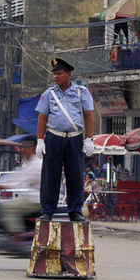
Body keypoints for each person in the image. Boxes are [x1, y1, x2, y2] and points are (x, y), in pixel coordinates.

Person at [35, 57, 94, 222]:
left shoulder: (82, 92)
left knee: (75, 175)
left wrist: (89, 139)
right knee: (50, 175)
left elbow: (89, 115)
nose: (56, 77)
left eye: (59, 73)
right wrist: (40, 140)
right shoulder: (49, 94)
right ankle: (47, 210)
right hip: (54, 137)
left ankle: (75, 210)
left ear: (69, 75)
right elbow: (42, 118)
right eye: (54, 74)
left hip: (74, 138)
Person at [0, 137, 42, 249]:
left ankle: (18, 238)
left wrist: (0, 185)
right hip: (36, 196)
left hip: (39, 199)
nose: (23, 150)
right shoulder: (29, 163)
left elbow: (18, 180)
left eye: (26, 147)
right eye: (22, 147)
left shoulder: (36, 163)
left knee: (9, 207)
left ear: (34, 148)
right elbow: (16, 176)